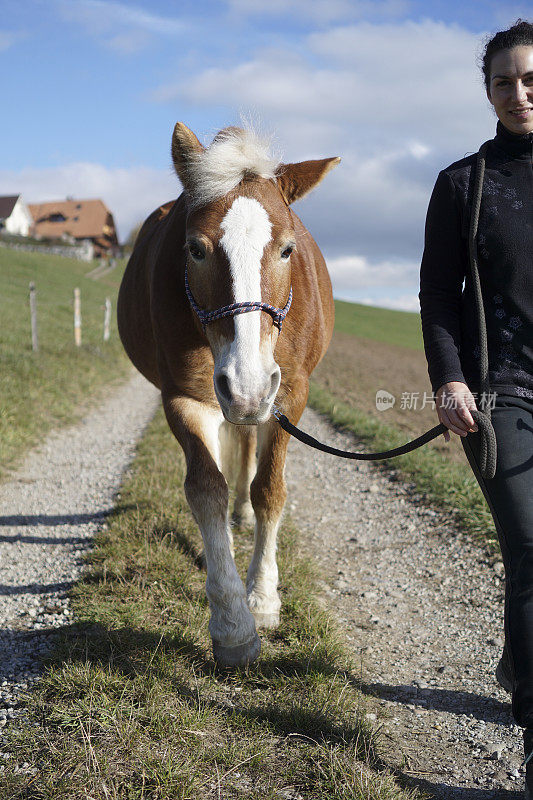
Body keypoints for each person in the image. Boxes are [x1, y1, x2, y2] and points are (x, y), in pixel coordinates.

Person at [419, 19, 533, 798]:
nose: (519, 93)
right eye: (504, 81)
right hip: (499, 395)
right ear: (486, 90)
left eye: (530, 79)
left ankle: (518, 661)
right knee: (532, 551)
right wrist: (451, 380)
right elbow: (438, 295)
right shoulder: (463, 183)